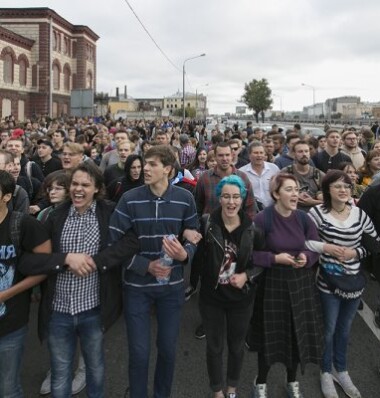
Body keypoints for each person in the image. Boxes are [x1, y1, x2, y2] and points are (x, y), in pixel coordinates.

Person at [19, 162, 139, 398]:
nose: (78, 189)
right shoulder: (54, 216)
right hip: (58, 311)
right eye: (74, 183)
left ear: (97, 188)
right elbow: (28, 261)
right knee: (61, 372)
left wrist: (98, 261)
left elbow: (132, 241)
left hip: (93, 310)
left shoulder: (110, 212)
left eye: (85, 184)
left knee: (94, 370)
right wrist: (65, 259)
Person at [109, 145, 199, 398]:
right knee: (139, 352)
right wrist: (144, 265)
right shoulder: (130, 198)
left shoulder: (185, 198)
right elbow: (113, 242)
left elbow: (194, 232)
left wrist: (185, 254)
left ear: (168, 170)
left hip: (171, 289)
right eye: (144, 163)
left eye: (152, 164)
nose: (145, 168)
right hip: (136, 288)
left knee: (168, 350)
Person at [249, 173, 322, 398]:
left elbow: (314, 246)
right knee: (269, 336)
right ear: (275, 194)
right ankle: (260, 382)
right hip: (272, 285)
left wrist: (307, 258)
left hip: (300, 284)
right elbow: (249, 254)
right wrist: (274, 259)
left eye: (297, 189)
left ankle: (292, 381)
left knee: (295, 332)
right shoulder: (263, 219)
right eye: (289, 189)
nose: (295, 194)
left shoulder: (303, 218)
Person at [307, 170, 378, 398]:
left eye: (347, 186)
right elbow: (303, 240)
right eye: (337, 186)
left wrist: (354, 252)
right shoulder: (316, 213)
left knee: (344, 329)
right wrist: (325, 248)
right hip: (327, 282)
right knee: (328, 329)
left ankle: (341, 369)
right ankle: (326, 372)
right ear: (327, 189)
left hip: (354, 283)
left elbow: (374, 241)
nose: (343, 190)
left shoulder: (359, 213)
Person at [199, 175, 264, 398]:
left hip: (241, 299)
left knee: (236, 347)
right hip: (212, 298)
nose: (231, 201)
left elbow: (261, 262)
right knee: (214, 347)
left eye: (236, 196)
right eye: (226, 196)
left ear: (243, 199)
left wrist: (247, 275)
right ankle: (217, 391)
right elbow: (198, 258)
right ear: (219, 198)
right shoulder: (208, 223)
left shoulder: (252, 229)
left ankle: (232, 389)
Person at [0, 170, 51, 397]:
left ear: (7, 197)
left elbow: (44, 268)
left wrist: (7, 294)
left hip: (11, 323)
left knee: (8, 388)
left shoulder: (24, 225)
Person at [282, 140, 325, 212]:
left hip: (314, 215)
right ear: (294, 154)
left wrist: (313, 202)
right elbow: (277, 196)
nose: (304, 154)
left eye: (306, 151)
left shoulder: (319, 174)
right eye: (300, 152)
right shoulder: (286, 173)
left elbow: (330, 201)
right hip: (291, 214)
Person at [239, 141, 279, 210]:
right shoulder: (242, 172)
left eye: (261, 153)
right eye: (256, 153)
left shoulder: (274, 169)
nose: (259, 155)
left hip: (274, 209)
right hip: (252, 210)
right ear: (249, 155)